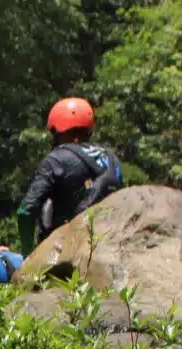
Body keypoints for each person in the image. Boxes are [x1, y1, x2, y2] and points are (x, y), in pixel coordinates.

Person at [16, 97, 125, 253]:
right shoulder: (111, 158)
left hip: (67, 249)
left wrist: (27, 255)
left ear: (58, 130)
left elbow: (26, 211)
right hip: (111, 243)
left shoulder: (56, 159)